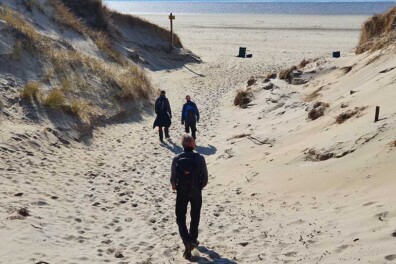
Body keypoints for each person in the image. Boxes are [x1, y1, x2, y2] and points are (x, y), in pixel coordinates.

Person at [170, 135, 208, 260]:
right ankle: (193, 239)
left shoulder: (177, 158)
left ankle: (187, 241)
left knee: (180, 217)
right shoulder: (200, 158)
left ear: (183, 145)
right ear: (192, 143)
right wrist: (199, 187)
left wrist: (175, 186)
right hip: (196, 191)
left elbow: (173, 178)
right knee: (195, 215)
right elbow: (205, 178)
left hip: (182, 192)